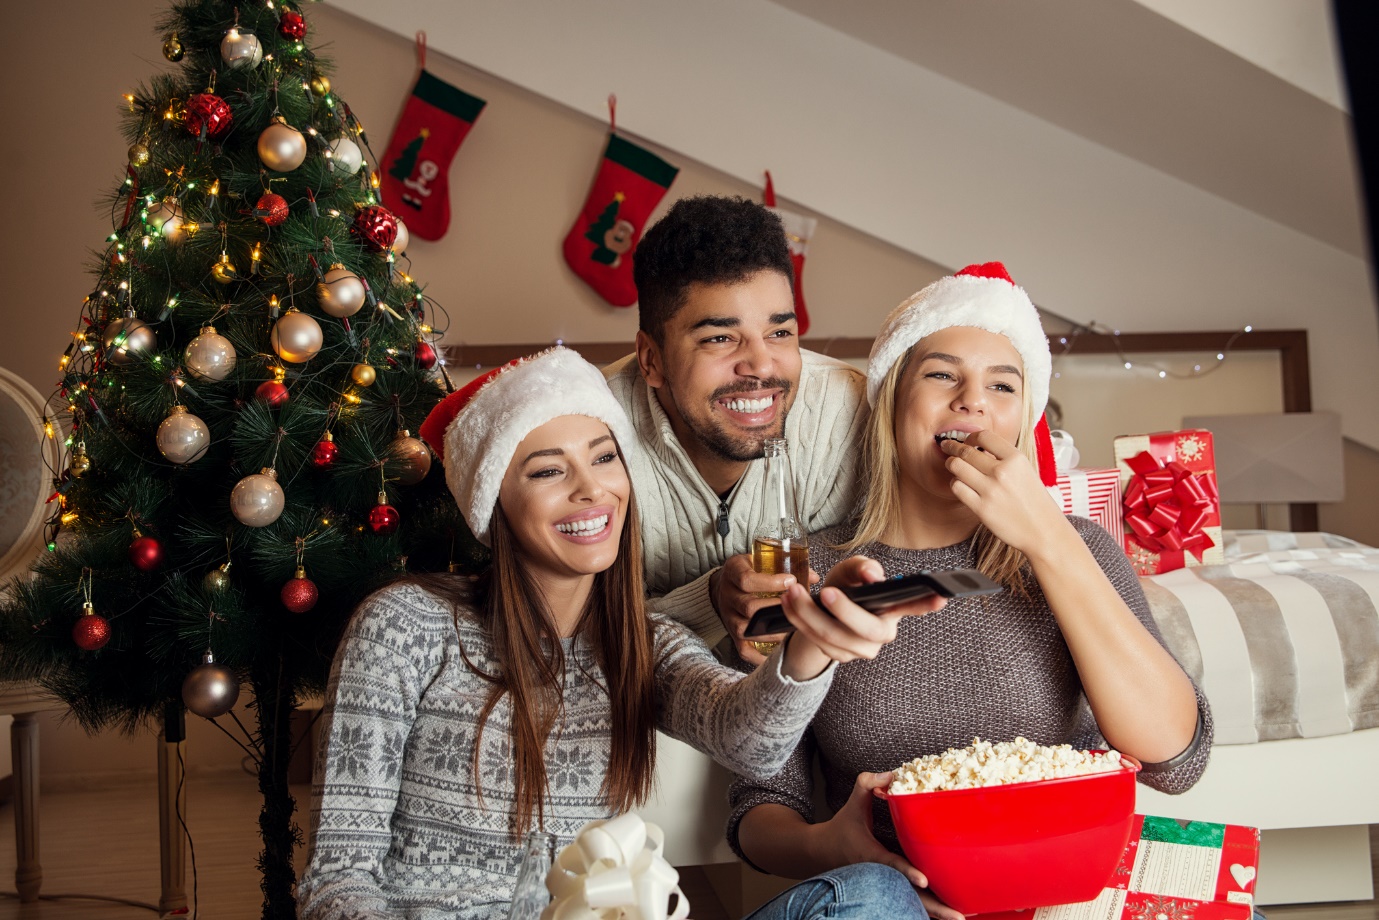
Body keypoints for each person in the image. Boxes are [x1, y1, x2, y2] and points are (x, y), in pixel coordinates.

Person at [297, 347, 941, 920]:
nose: (592, 490)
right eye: (548, 471)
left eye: (606, 458)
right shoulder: (404, 627)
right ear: (495, 501)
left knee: (874, 898)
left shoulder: (641, 642)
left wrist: (813, 644)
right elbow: (338, 884)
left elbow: (748, 741)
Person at [727, 263, 1212, 920]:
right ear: (892, 399)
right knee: (871, 897)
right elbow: (757, 805)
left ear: (1019, 422)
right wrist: (831, 849)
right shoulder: (816, 569)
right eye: (940, 374)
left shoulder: (1075, 549)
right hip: (889, 905)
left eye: (1001, 385)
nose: (972, 400)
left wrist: (1047, 539)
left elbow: (1174, 761)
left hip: (1059, 900)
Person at [604, 195, 869, 665]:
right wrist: (706, 602)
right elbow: (571, 630)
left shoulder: (847, 413)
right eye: (720, 338)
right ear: (652, 359)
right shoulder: (592, 429)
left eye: (780, 332)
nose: (763, 365)